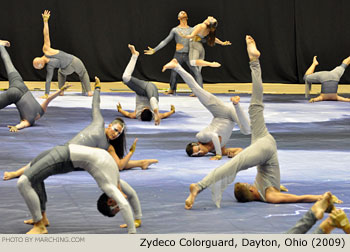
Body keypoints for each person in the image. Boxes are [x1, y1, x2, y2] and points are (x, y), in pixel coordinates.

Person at [182, 36, 343, 209]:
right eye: (249, 185)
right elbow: (293, 196)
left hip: (265, 146)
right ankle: (254, 62)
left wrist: (321, 197)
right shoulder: (266, 193)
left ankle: (199, 186)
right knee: (255, 106)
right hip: (263, 143)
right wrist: (319, 197)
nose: (252, 184)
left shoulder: (266, 193)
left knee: (238, 155)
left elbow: (295, 196)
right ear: (251, 191)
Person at [3, 77, 157, 180]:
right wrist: (97, 89)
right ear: (109, 125)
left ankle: (16, 174)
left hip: (71, 160)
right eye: (115, 130)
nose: (116, 134)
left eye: (118, 133)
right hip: (67, 150)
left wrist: (130, 152)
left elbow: (120, 167)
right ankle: (142, 163)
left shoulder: (109, 147)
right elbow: (95, 105)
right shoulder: (99, 122)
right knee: (41, 158)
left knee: (43, 162)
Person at [16, 144, 141, 234]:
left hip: (64, 150)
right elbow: (125, 202)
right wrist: (132, 232)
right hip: (63, 157)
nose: (119, 206)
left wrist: (137, 218)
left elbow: (131, 194)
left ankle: (40, 220)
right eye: (117, 209)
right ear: (110, 201)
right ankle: (40, 223)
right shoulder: (108, 185)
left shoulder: (115, 180)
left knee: (27, 178)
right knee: (24, 182)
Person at [162, 59, 250, 160]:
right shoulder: (216, 149)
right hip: (232, 116)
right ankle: (236, 104)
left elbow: (214, 136)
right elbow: (239, 150)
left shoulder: (200, 137)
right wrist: (235, 155)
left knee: (197, 90)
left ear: (198, 143)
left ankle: (177, 66)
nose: (201, 152)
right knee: (247, 131)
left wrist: (218, 155)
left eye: (198, 149)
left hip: (220, 112)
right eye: (198, 154)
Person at [0, 40, 70, 132]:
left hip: (21, 85)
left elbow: (49, 99)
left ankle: (1, 46)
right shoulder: (29, 121)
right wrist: (16, 127)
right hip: (15, 94)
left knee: (9, 64)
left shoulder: (41, 112)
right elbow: (22, 125)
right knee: (9, 65)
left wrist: (60, 90)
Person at [32, 10, 92, 98]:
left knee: (61, 73)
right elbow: (46, 35)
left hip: (68, 67)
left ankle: (61, 91)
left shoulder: (50, 66)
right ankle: (89, 91)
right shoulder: (47, 50)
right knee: (83, 73)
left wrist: (46, 94)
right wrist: (45, 21)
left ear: (41, 66)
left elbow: (48, 80)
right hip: (74, 61)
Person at [144, 11, 202, 96]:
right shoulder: (175, 30)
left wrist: (198, 39)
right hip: (178, 54)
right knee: (174, 72)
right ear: (178, 18)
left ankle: (199, 92)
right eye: (181, 13)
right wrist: (154, 50)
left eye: (184, 13)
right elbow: (165, 41)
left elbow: (202, 38)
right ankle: (172, 89)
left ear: (187, 17)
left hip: (189, 55)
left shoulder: (192, 30)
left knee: (196, 72)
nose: (183, 12)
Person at [118, 44, 175, 126]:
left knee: (125, 77)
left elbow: (128, 114)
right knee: (152, 100)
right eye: (147, 108)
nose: (145, 107)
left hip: (141, 90)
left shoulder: (137, 114)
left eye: (144, 108)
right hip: (150, 89)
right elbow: (164, 115)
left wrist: (120, 110)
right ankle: (156, 110)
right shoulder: (153, 114)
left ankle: (135, 55)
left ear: (140, 115)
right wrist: (171, 112)